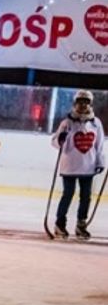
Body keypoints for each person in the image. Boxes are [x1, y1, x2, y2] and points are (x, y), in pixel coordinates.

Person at [51, 89, 105, 240]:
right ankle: (60, 223)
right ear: (75, 103)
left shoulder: (96, 123)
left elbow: (99, 145)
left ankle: (81, 224)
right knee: (68, 194)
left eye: (86, 102)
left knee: (86, 196)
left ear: (90, 104)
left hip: (88, 166)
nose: (83, 105)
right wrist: (60, 139)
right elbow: (55, 142)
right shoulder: (67, 122)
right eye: (80, 102)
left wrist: (100, 162)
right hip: (70, 165)